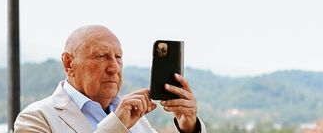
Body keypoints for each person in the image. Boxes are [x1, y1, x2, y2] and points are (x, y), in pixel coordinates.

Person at [15, 25, 206, 133]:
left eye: (118, 57)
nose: (114, 67)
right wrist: (117, 125)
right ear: (68, 64)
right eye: (101, 56)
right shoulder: (35, 118)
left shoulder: (137, 118)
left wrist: (188, 127)